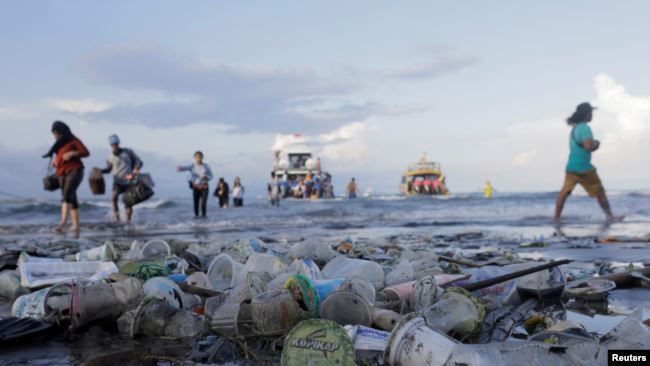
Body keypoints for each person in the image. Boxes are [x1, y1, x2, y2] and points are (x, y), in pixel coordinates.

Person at [554, 102, 623, 223]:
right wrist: (596, 144)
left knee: (564, 192)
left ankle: (556, 217)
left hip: (571, 167)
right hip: (584, 168)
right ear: (587, 114)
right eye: (591, 112)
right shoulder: (585, 128)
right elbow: (588, 147)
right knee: (600, 192)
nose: (592, 115)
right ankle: (610, 217)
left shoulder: (574, 129)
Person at [43, 121, 90, 236]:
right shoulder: (58, 145)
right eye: (54, 133)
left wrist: (73, 153)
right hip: (62, 174)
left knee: (67, 195)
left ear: (63, 132)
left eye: (57, 133)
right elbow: (60, 157)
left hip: (75, 171)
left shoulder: (74, 141)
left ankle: (62, 225)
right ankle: (76, 227)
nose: (55, 135)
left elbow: (86, 152)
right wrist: (55, 162)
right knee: (72, 199)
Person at [100, 135, 143, 224]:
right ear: (110, 145)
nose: (114, 146)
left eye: (116, 144)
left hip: (129, 181)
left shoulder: (128, 152)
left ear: (118, 143)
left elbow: (139, 161)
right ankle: (117, 220)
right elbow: (108, 169)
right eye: (112, 144)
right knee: (114, 198)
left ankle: (128, 222)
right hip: (117, 183)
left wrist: (135, 170)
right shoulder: (109, 157)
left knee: (128, 202)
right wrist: (100, 171)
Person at [177, 151, 213, 217]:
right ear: (194, 158)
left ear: (202, 157)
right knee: (196, 203)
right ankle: (196, 218)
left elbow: (211, 176)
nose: (198, 158)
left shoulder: (206, 166)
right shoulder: (192, 166)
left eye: (200, 157)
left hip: (204, 186)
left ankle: (204, 218)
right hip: (196, 187)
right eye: (197, 157)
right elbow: (184, 168)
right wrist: (179, 168)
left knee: (203, 204)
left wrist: (206, 177)